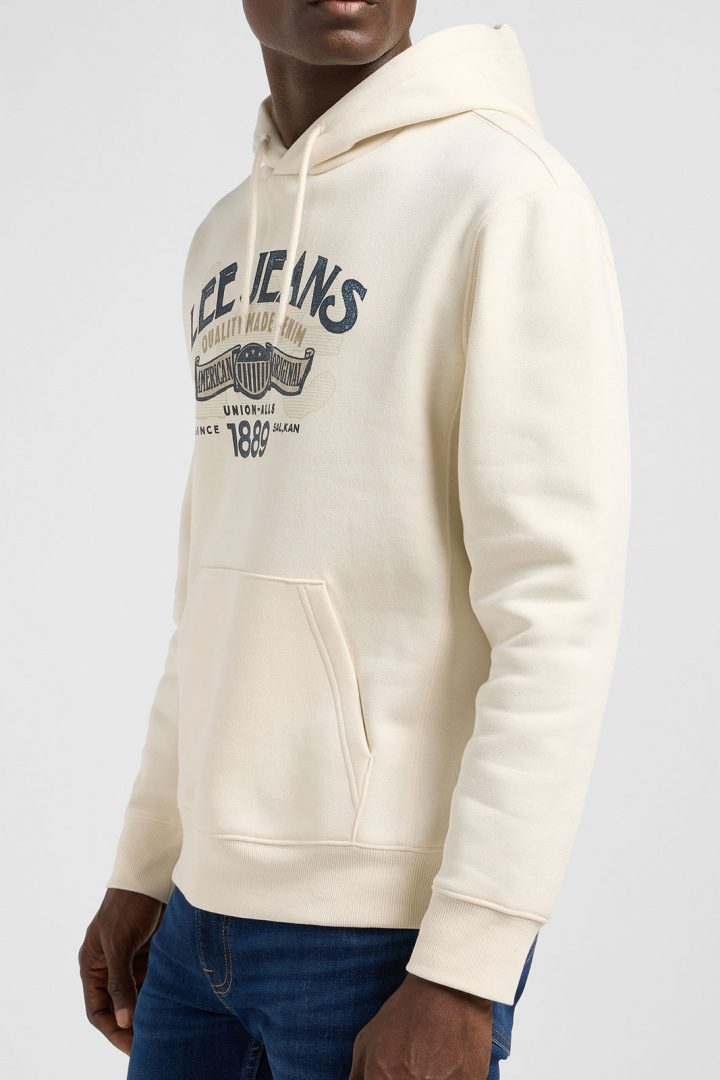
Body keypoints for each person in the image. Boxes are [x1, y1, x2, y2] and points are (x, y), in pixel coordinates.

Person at [78, 2, 631, 1078]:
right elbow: (210, 592)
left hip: (384, 945)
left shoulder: (512, 200)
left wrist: (468, 966)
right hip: (194, 927)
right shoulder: (222, 238)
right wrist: (147, 859)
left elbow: (555, 610)